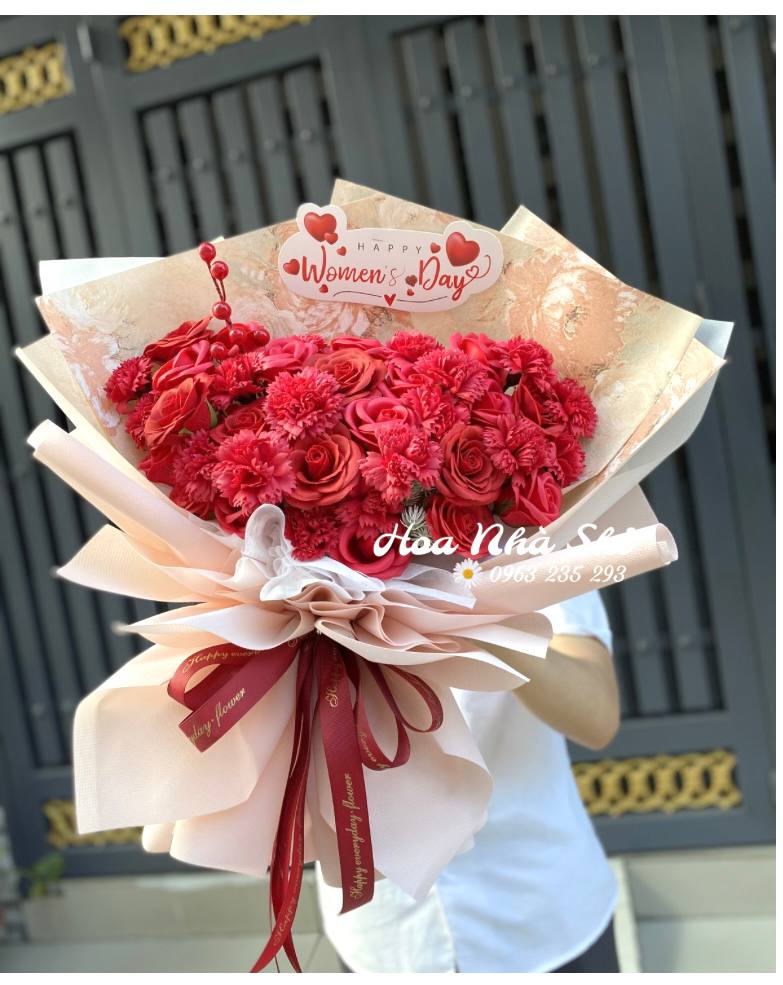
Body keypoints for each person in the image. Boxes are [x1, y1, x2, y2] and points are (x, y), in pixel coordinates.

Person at [316, 590, 621, 973]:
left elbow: (596, 715)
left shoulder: (527, 555)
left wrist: (471, 609)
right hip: (385, 926)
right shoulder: (286, 565)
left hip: (536, 903)